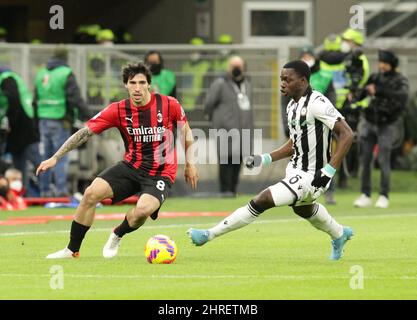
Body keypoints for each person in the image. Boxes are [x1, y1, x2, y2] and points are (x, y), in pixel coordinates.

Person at [188, 60, 355, 260]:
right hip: (295, 170)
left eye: (288, 79)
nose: (283, 84)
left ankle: (209, 234)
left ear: (302, 80)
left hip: (313, 175)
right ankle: (339, 234)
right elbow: (295, 143)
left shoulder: (317, 103)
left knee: (262, 200)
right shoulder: (292, 105)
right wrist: (265, 158)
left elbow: (347, 134)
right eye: (281, 79)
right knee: (303, 210)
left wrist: (328, 172)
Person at [37, 62, 199, 259]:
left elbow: (186, 131)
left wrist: (190, 164)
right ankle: (72, 250)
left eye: (141, 82)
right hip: (131, 166)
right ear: (126, 85)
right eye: (132, 83)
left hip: (160, 172)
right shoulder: (118, 110)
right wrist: (55, 157)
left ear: (149, 84)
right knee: (90, 194)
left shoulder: (169, 104)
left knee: (142, 211)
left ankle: (117, 234)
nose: (137, 87)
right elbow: (84, 133)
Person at [353, 50, 409, 209]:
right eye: (380, 62)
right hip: (370, 122)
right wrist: (357, 93)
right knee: (365, 160)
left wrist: (379, 91)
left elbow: (402, 97)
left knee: (384, 160)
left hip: (388, 124)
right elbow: (363, 94)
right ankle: (365, 194)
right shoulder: (375, 77)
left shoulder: (400, 80)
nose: (381, 66)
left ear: (391, 64)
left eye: (384, 63)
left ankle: (384, 195)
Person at [34, 47, 91, 197]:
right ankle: (61, 191)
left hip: (43, 119)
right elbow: (74, 97)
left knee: (45, 156)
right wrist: (88, 116)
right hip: (60, 119)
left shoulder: (42, 73)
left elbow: (35, 98)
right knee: (59, 156)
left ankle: (44, 191)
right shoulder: (65, 73)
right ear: (66, 58)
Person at [204, 55, 253, 197]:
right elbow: (209, 104)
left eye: (239, 66)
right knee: (226, 161)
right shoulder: (220, 83)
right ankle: (225, 191)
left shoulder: (247, 84)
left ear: (244, 68)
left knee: (238, 160)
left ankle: (233, 189)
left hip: (243, 130)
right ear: (228, 68)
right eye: (233, 66)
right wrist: (216, 121)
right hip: (225, 130)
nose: (236, 69)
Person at [0, 67, 40, 196]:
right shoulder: (13, 77)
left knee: (35, 162)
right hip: (25, 126)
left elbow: (13, 100)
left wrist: (10, 121)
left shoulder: (7, 79)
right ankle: (24, 193)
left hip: (21, 128)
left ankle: (47, 191)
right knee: (22, 163)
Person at [180, 37, 211, 111]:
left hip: (197, 106)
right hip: (182, 106)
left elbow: (207, 87)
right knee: (180, 123)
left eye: (196, 50)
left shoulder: (207, 66)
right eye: (192, 50)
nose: (194, 52)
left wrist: (200, 102)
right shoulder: (184, 66)